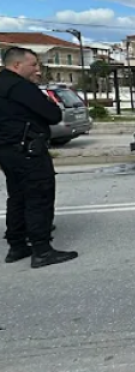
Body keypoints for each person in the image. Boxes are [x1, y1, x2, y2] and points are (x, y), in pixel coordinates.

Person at [0, 46, 77, 268]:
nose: (38, 71)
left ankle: (17, 246)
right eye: (33, 65)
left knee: (17, 197)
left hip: (7, 151)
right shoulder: (21, 87)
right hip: (29, 151)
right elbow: (53, 115)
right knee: (38, 197)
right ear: (16, 65)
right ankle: (42, 250)